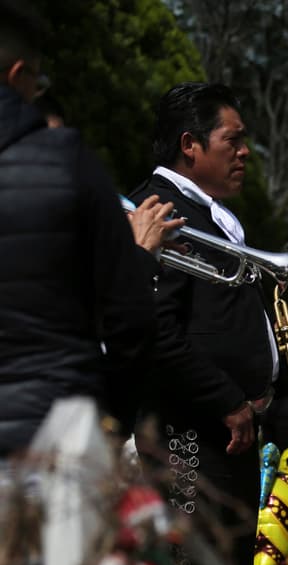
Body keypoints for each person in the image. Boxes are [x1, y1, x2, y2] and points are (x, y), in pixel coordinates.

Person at [0, 1, 175, 461]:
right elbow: (132, 322)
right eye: (38, 83)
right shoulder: (67, 160)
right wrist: (110, 423)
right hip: (54, 435)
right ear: (19, 75)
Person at [130, 82, 278, 565]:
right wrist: (226, 398)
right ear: (190, 145)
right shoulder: (158, 211)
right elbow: (156, 328)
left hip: (224, 433)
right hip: (190, 434)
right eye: (232, 140)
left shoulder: (207, 211)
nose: (244, 152)